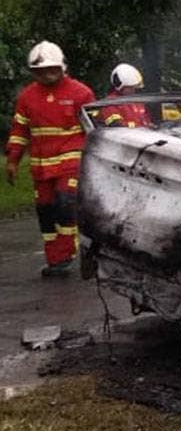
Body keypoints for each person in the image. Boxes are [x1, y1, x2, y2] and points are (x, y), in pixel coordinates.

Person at [5, 41, 96, 277]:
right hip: (41, 166)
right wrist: (13, 161)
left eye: (51, 69)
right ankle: (55, 260)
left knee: (66, 204)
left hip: (70, 161)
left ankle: (67, 253)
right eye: (41, 70)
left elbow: (95, 130)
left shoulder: (81, 93)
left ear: (62, 67)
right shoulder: (27, 97)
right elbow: (19, 131)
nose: (47, 74)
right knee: (46, 211)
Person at [97, 63, 151, 128]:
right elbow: (116, 126)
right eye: (130, 87)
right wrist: (140, 126)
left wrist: (150, 126)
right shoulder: (109, 104)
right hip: (121, 137)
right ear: (120, 86)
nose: (133, 90)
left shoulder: (137, 101)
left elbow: (146, 120)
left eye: (134, 87)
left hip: (143, 136)